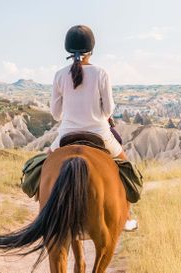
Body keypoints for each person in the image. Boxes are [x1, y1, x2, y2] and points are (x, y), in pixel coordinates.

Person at [48, 25, 138, 231]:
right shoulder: (101, 73)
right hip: (99, 134)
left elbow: (56, 114)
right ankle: (126, 216)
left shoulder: (59, 75)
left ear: (68, 50)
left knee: (43, 166)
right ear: (92, 49)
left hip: (66, 135)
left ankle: (44, 212)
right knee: (126, 168)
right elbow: (108, 109)